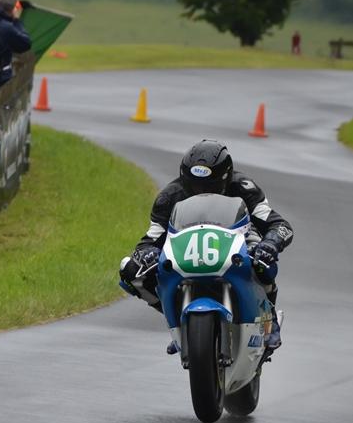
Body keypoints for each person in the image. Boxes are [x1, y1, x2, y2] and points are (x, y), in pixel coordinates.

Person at [119, 139, 294, 355]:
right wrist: (146, 252)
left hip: (237, 242)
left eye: (208, 186)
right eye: (193, 185)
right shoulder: (168, 197)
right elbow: (150, 238)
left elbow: (280, 225)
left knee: (263, 258)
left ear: (225, 177)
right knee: (131, 272)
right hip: (185, 247)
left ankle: (269, 320)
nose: (200, 191)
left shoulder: (244, 188)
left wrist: (271, 242)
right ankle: (179, 323)